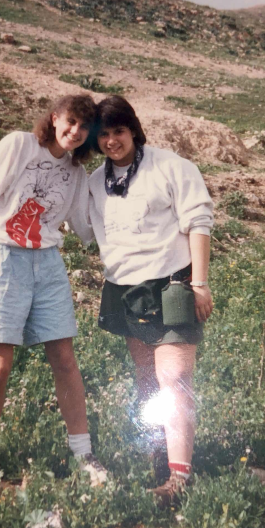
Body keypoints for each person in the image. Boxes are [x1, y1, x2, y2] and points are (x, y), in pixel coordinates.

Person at [0, 94, 107, 486]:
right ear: (55, 118)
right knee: (0, 363)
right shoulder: (19, 145)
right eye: (70, 122)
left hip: (48, 262)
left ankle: (84, 455)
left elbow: (85, 228)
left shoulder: (75, 173)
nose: (75, 132)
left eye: (83, 127)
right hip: (2, 257)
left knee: (65, 359)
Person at [88, 96, 214, 506]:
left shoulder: (172, 167)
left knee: (173, 378)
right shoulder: (93, 182)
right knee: (146, 378)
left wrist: (200, 283)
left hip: (173, 284)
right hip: (125, 288)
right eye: (103, 134)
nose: (112, 141)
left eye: (118, 131)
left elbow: (198, 221)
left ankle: (180, 479)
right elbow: (84, 229)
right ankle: (159, 458)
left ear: (134, 130)